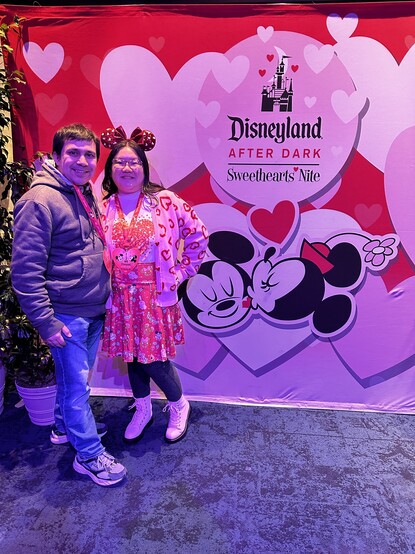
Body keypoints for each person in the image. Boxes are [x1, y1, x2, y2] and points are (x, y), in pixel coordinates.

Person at [11, 123, 127, 487]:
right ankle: (89, 455)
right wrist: (46, 323)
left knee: (73, 381)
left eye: (89, 154)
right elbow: (25, 272)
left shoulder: (82, 190)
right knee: (77, 388)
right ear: (56, 156)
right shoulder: (39, 201)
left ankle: (63, 428)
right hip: (66, 315)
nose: (82, 160)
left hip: (91, 309)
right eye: (73, 153)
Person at [100, 125, 208, 444]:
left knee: (155, 361)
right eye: (120, 162)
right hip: (120, 295)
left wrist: (181, 272)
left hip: (153, 294)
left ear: (144, 167)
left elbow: (199, 234)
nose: (127, 168)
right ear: (110, 169)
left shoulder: (165, 201)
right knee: (132, 358)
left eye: (133, 161)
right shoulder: (104, 206)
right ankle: (143, 408)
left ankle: (179, 405)